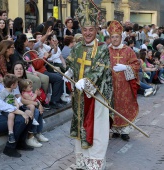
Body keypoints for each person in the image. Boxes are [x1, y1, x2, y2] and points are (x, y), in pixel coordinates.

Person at [64, 1, 113, 169]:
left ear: (97, 30)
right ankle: (82, 160)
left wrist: (86, 81)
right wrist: (68, 73)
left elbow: (100, 70)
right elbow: (71, 65)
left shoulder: (102, 49)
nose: (87, 33)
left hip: (96, 96)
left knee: (97, 129)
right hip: (79, 96)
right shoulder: (77, 47)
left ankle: (95, 162)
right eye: (84, 30)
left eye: (91, 29)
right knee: (80, 128)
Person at [108, 20, 140, 141]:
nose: (115, 39)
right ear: (110, 38)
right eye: (112, 37)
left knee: (125, 106)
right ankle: (115, 130)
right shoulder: (107, 51)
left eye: (117, 37)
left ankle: (125, 131)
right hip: (111, 85)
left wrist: (126, 67)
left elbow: (136, 65)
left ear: (121, 37)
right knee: (113, 107)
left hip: (125, 86)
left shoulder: (128, 50)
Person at [0, 65, 34, 158]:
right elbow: (2, 105)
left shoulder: (1, 86)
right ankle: (9, 148)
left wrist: (25, 110)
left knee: (29, 115)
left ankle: (21, 143)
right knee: (20, 119)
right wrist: (21, 112)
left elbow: (13, 99)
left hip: (5, 114)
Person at [11, 61, 49, 147]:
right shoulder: (13, 82)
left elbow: (30, 95)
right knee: (35, 110)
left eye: (21, 69)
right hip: (17, 104)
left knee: (40, 109)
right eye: (16, 69)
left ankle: (38, 133)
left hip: (23, 102)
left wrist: (38, 103)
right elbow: (21, 99)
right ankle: (30, 137)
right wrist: (36, 104)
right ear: (13, 71)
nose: (19, 71)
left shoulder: (24, 81)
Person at [0, 74, 34, 143]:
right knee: (11, 115)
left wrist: (18, 105)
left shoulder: (12, 91)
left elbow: (14, 98)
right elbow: (1, 104)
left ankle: (29, 129)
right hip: (6, 110)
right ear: (12, 85)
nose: (17, 84)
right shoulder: (3, 92)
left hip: (14, 108)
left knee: (27, 112)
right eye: (16, 83)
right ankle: (11, 133)